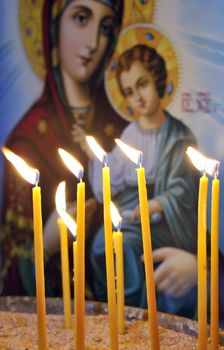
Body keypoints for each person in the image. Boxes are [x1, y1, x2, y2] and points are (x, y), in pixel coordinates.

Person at [0, 0, 127, 296]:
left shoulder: (125, 132)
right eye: (81, 18)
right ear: (54, 26)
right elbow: (8, 269)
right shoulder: (28, 139)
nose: (93, 42)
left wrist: (197, 263)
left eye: (106, 28)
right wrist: (45, 244)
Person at [76, 44, 200, 317]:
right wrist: (97, 158)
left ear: (157, 80)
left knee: (128, 246)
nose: (138, 98)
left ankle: (137, 313)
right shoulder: (130, 133)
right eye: (130, 93)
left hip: (167, 220)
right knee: (101, 245)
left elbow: (184, 189)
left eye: (142, 84)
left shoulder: (179, 136)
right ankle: (118, 311)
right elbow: (116, 174)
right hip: (132, 210)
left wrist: (157, 204)